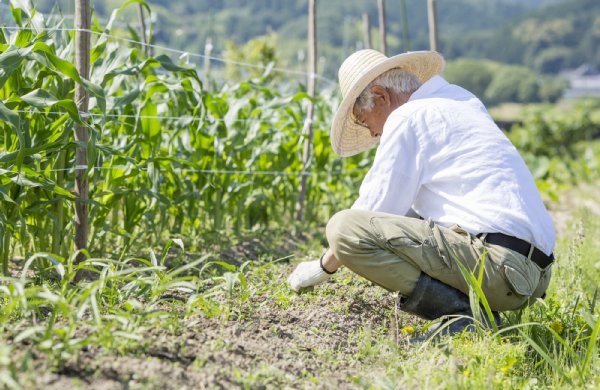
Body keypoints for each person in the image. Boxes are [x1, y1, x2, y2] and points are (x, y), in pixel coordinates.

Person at [287, 49, 555, 338]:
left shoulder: (407, 117)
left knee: (343, 228)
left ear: (381, 96)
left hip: (500, 268)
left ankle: (465, 318)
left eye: (364, 120)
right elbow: (407, 216)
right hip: (532, 275)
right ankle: (477, 311)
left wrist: (323, 267)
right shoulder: (459, 100)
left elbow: (370, 212)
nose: (374, 134)